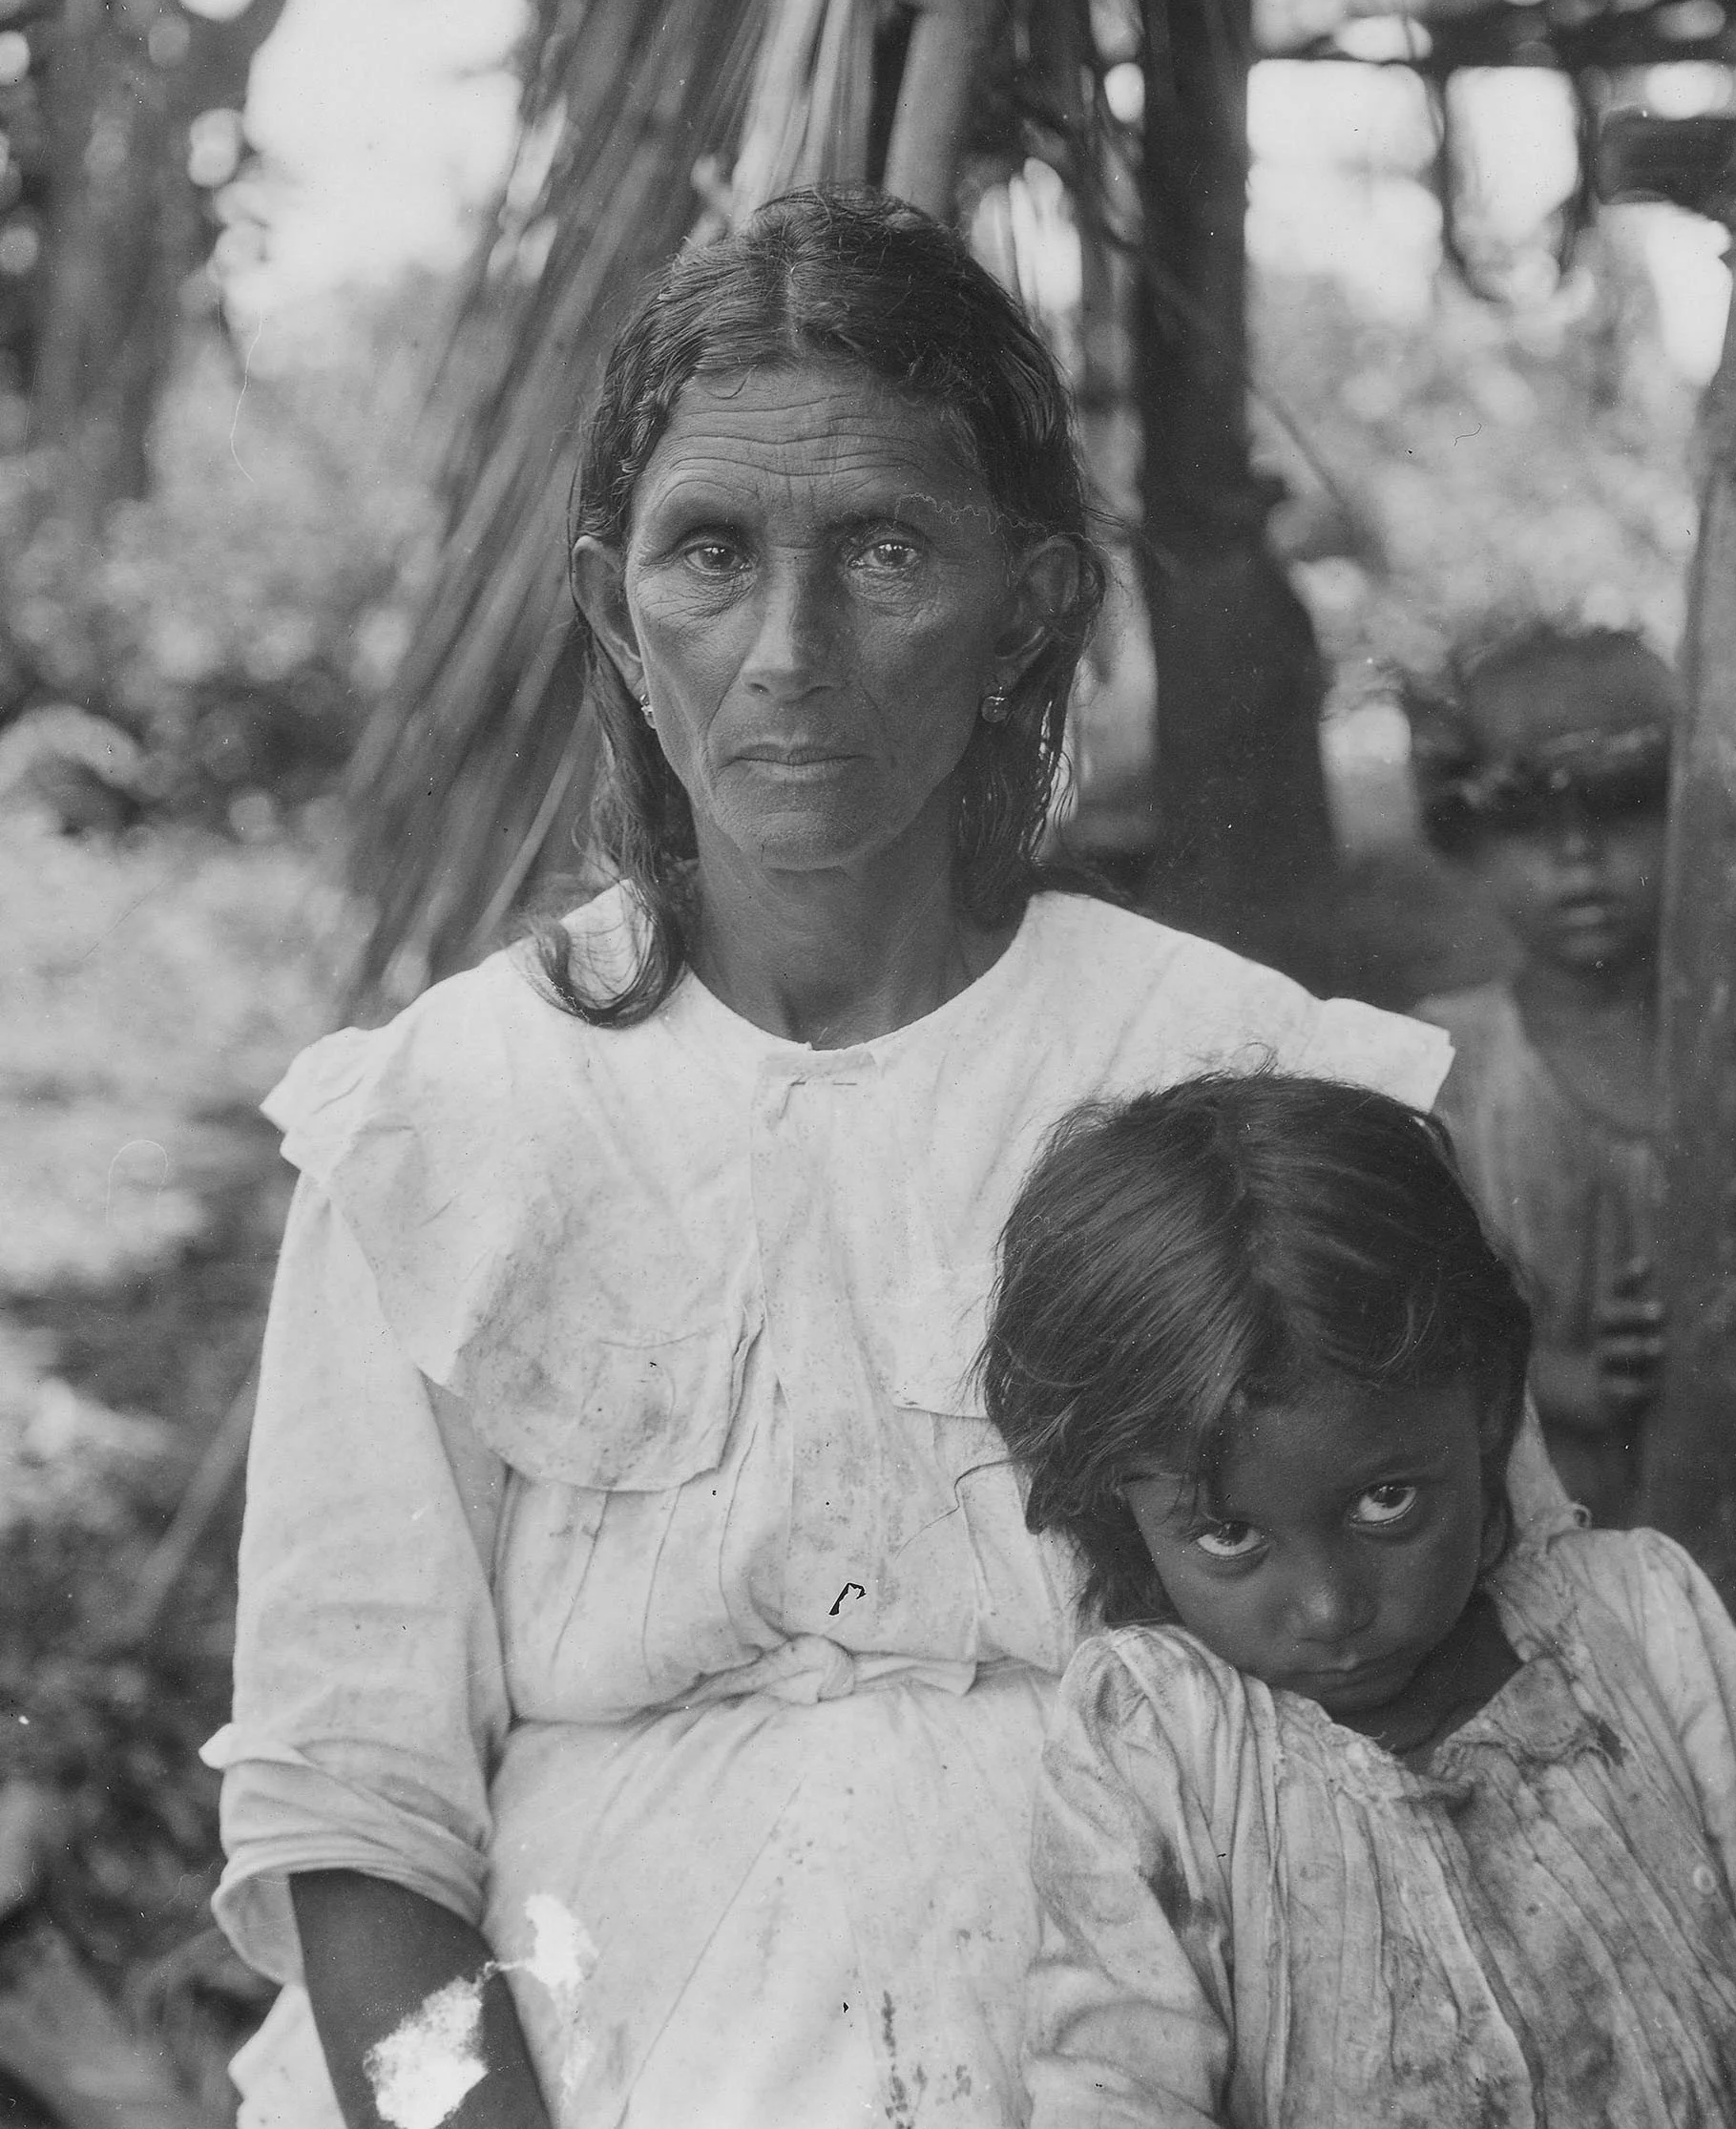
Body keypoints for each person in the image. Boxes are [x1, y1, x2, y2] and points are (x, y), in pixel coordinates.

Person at [204, 190, 1456, 2129]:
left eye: (884, 547)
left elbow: (1467, 1671)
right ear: (622, 612)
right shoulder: (444, 1120)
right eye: (712, 553)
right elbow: (355, 1815)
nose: (789, 649)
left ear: (1031, 599)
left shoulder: (1236, 1073)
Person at [982, 1071, 1736, 2128]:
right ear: (1122, 1512)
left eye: (1386, 1500)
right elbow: (1114, 2091)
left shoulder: (1644, 1618)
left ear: (1483, 1409)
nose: (1329, 1606)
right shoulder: (1157, 1742)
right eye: (1231, 1534)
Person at [1408, 623, 1671, 1526]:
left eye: (1624, 811)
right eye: (1527, 827)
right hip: (1564, 1515)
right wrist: (1577, 1381)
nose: (1579, 858)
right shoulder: (1449, 1069)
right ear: (1467, 844)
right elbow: (1429, 1320)